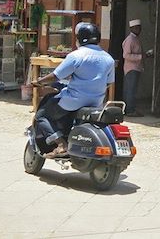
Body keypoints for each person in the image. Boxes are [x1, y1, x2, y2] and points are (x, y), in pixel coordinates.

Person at [32, 23, 115, 158]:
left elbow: (56, 75)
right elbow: (109, 82)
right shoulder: (108, 59)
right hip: (96, 102)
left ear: (80, 39)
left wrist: (39, 82)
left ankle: (60, 145)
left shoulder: (77, 56)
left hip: (73, 101)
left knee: (42, 115)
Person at [123, 19, 152, 117]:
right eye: (136, 28)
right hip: (131, 68)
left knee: (133, 90)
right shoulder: (130, 39)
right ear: (131, 28)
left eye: (139, 28)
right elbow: (126, 55)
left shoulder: (136, 39)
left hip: (137, 67)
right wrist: (140, 57)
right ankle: (130, 110)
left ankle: (131, 109)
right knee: (131, 89)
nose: (138, 29)